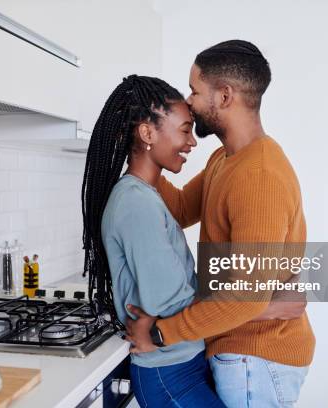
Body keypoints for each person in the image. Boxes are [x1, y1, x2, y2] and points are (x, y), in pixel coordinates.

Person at [125, 40, 316, 408]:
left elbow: (244, 298)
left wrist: (162, 334)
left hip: (257, 359)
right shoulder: (224, 159)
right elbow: (180, 209)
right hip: (242, 352)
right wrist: (144, 152)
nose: (190, 101)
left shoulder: (258, 175)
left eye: (195, 91)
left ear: (225, 96)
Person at [81, 74, 226, 407]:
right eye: (184, 129)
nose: (191, 142)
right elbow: (167, 297)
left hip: (179, 362)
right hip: (169, 371)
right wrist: (240, 303)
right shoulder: (136, 202)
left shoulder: (143, 195)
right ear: (147, 133)